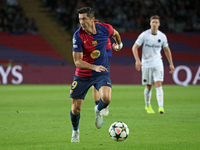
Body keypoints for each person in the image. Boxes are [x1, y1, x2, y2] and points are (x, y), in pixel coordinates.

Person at [70, 7, 123, 142]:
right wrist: (94, 67)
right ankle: (75, 131)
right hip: (83, 74)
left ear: (92, 19)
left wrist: (119, 44)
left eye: (84, 19)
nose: (81, 22)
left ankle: (98, 110)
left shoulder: (105, 28)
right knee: (76, 109)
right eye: (80, 19)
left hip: (101, 71)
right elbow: (77, 61)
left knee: (106, 98)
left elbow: (116, 33)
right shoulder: (78, 36)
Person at [132, 15, 174, 114]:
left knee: (158, 84)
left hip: (158, 63)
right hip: (146, 64)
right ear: (150, 23)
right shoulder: (144, 35)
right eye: (153, 22)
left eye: (156, 22)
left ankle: (161, 107)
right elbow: (134, 47)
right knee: (149, 86)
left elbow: (167, 50)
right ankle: (147, 105)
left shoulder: (162, 36)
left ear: (159, 24)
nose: (154, 24)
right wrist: (137, 60)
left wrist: (171, 63)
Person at [92, 19, 112, 116]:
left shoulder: (104, 37)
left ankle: (104, 104)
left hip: (103, 65)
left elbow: (110, 52)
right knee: (94, 87)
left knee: (104, 87)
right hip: (92, 65)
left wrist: (100, 54)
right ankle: (98, 108)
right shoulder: (85, 37)